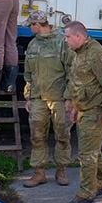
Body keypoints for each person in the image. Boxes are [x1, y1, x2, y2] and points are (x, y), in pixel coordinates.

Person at [64, 21, 102, 203]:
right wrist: (74, 106)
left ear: (79, 36)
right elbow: (76, 82)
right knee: (92, 150)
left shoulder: (97, 54)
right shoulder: (78, 53)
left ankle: (86, 193)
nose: (66, 40)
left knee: (87, 154)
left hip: (95, 111)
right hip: (84, 110)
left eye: (68, 37)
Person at [22, 10, 73, 188]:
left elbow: (71, 72)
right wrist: (28, 96)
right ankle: (39, 173)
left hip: (59, 98)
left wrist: (69, 98)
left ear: (38, 25)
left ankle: (62, 170)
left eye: (31, 25)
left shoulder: (61, 42)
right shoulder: (33, 45)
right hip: (38, 99)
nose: (29, 28)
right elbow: (28, 73)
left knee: (62, 135)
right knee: (37, 136)